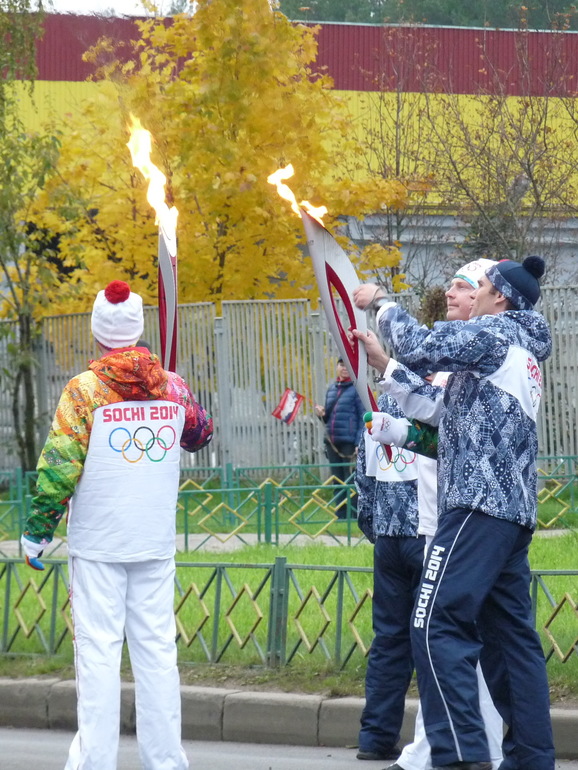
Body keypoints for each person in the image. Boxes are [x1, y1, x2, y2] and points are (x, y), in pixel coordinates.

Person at [354, 257, 554, 770]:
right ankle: (531, 759)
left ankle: (461, 754)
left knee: (434, 623)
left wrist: (382, 303)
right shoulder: (518, 351)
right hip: (509, 515)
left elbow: (420, 345)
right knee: (510, 643)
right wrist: (387, 371)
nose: (474, 292)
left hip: (474, 506)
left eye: (480, 284)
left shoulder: (494, 333)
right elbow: (444, 412)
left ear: (499, 297)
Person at [21, 280, 213, 770]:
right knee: (157, 654)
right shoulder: (172, 386)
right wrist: (175, 397)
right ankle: (166, 762)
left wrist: (38, 530)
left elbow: (59, 467)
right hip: (153, 542)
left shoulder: (85, 391)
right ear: (138, 327)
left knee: (98, 657)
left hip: (99, 547)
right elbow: (200, 434)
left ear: (97, 330)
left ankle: (95, 763)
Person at [355, 394, 423, 762]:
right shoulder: (430, 399)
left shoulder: (378, 405)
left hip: (388, 538)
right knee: (436, 638)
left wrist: (376, 529)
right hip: (428, 534)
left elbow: (363, 478)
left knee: (389, 639)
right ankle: (437, 740)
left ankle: (376, 737)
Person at [314, 357, 365, 517]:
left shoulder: (357, 389)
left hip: (349, 442)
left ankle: (353, 515)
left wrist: (359, 443)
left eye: (347, 366)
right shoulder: (332, 389)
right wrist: (321, 415)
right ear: (337, 367)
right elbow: (328, 419)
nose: (344, 368)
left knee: (350, 479)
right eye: (341, 365)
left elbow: (363, 417)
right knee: (337, 479)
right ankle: (341, 515)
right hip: (332, 442)